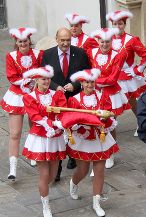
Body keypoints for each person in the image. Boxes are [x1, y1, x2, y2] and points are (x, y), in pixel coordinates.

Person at [67, 68, 119, 217]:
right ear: (82, 83)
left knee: (100, 170)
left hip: (99, 138)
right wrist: (78, 124)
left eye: (92, 82)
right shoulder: (74, 100)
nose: (90, 85)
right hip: (82, 139)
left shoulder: (103, 97)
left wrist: (105, 118)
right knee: (83, 170)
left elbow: (109, 115)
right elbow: (70, 119)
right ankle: (74, 182)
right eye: (87, 82)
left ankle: (96, 202)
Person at [41, 27, 90, 180]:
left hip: (75, 98)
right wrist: (56, 87)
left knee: (74, 129)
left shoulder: (80, 53)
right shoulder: (48, 54)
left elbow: (85, 74)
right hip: (56, 99)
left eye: (68, 40)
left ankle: (73, 156)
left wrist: (74, 85)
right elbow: (44, 75)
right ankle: (57, 168)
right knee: (58, 131)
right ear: (57, 39)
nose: (65, 43)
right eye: (62, 40)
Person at [22, 65, 67, 217]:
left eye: (48, 78)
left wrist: (60, 125)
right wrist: (50, 123)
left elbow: (62, 111)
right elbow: (34, 116)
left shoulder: (57, 94)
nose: (46, 81)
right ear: (37, 80)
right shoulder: (29, 97)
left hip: (55, 137)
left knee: (53, 175)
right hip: (40, 138)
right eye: (43, 79)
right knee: (45, 174)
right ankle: (46, 205)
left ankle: (43, 191)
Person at [0, 27, 43, 180]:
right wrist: (26, 81)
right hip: (17, 96)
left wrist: (35, 81)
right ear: (16, 42)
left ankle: (34, 155)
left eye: (25, 41)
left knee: (35, 128)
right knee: (15, 133)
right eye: (20, 41)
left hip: (34, 95)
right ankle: (13, 168)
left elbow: (42, 71)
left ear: (29, 41)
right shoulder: (11, 56)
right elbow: (11, 77)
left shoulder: (38, 54)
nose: (23, 43)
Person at [85, 28, 130, 169]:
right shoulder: (91, 52)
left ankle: (110, 154)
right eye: (102, 41)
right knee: (94, 123)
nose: (105, 44)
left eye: (108, 42)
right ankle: (97, 150)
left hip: (111, 94)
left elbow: (112, 79)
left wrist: (94, 81)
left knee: (109, 124)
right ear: (97, 41)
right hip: (95, 93)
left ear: (112, 41)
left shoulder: (118, 55)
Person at [106, 10, 146, 136]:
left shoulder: (131, 40)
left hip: (127, 77)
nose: (117, 27)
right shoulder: (107, 39)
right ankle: (111, 129)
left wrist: (137, 70)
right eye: (114, 24)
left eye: (120, 23)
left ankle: (141, 122)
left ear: (124, 24)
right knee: (114, 103)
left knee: (132, 102)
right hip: (113, 76)